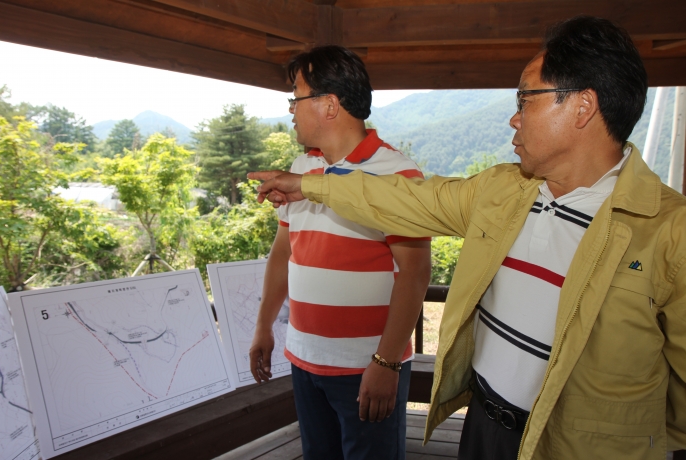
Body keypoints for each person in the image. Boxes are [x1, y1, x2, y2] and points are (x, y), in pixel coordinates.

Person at [249, 16, 686, 460]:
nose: (514, 118)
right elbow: (406, 199)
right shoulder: (502, 191)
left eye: (525, 99)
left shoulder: (670, 232)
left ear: (582, 106)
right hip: (483, 426)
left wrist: (621, 437)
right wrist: (308, 185)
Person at [248, 45, 431, 460]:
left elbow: (415, 273)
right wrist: (263, 326)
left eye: (296, 97)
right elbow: (283, 253)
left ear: (329, 105)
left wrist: (386, 363)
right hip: (304, 359)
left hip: (366, 367)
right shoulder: (301, 168)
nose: (290, 110)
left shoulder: (396, 174)